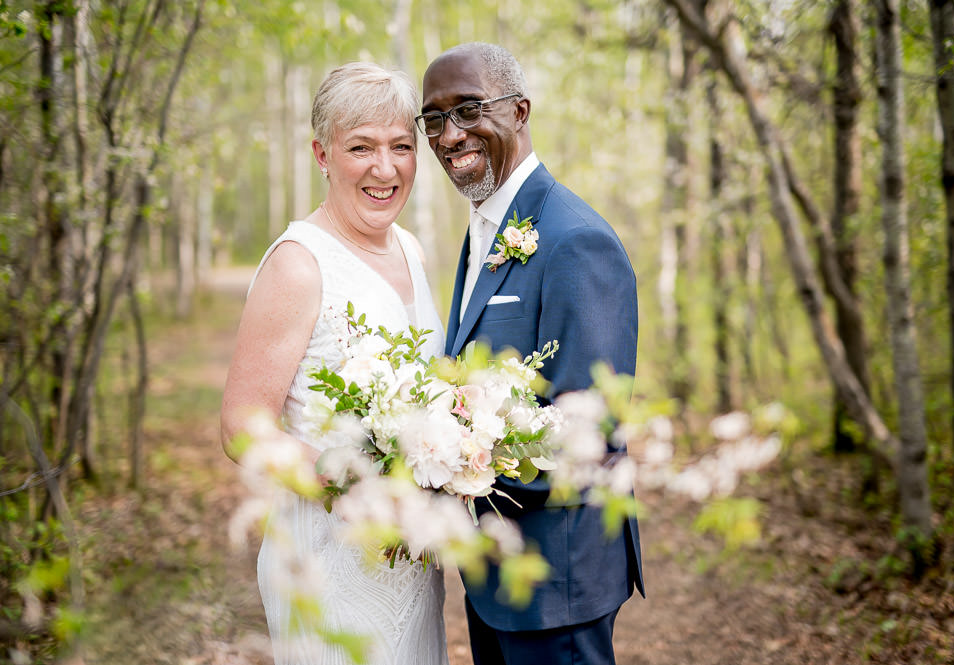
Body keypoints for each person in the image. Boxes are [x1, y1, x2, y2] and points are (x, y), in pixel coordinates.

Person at [418, 42, 644, 665]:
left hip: (556, 579)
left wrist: (454, 468)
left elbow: (587, 433)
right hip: (496, 573)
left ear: (519, 112)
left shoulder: (576, 240)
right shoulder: (487, 226)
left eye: (468, 110)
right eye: (433, 119)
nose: (448, 134)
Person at [220, 62, 448, 665]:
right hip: (327, 560)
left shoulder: (411, 250)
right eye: (361, 147)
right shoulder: (299, 264)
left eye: (402, 146)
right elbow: (242, 429)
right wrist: (353, 481)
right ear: (322, 154)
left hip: (409, 559)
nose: (385, 167)